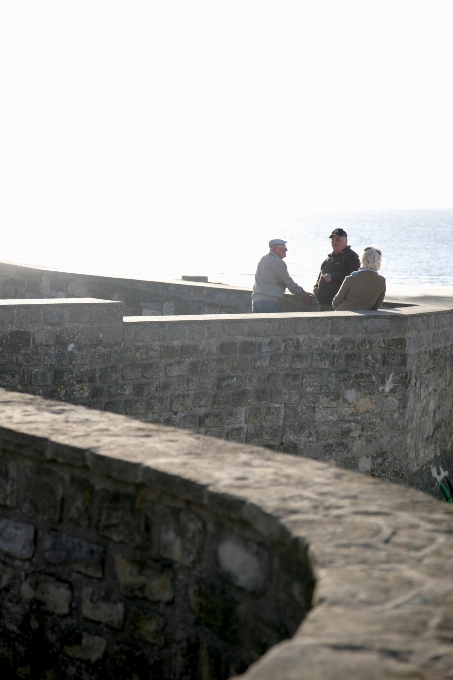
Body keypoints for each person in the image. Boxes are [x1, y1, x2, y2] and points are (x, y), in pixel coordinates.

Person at [252, 239, 313, 313]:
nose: (286, 250)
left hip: (256, 302)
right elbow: (288, 282)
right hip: (269, 302)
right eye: (283, 247)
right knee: (272, 324)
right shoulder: (277, 262)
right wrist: (303, 293)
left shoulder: (263, 259)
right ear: (274, 249)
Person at [313, 228, 360, 311]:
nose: (334, 242)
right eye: (332, 240)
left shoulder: (352, 257)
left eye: (338, 240)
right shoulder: (329, 258)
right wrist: (316, 286)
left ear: (345, 241)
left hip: (337, 304)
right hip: (322, 302)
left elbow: (354, 276)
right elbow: (320, 275)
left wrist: (333, 277)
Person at [332, 245, 386, 311]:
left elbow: (335, 303)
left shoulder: (351, 278)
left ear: (362, 259)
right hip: (364, 319)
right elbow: (377, 305)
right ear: (379, 262)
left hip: (342, 316)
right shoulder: (381, 281)